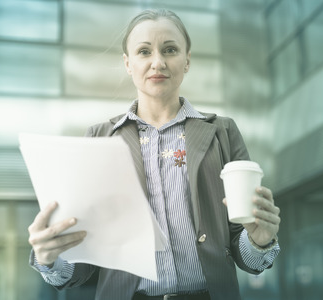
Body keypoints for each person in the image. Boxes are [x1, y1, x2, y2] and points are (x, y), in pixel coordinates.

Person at [27, 8, 280, 300]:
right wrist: (49, 257)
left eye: (170, 50)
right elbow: (83, 264)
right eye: (144, 51)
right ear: (128, 63)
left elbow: (244, 249)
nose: (157, 62)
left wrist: (259, 241)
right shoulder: (99, 139)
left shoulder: (223, 132)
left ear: (187, 61)